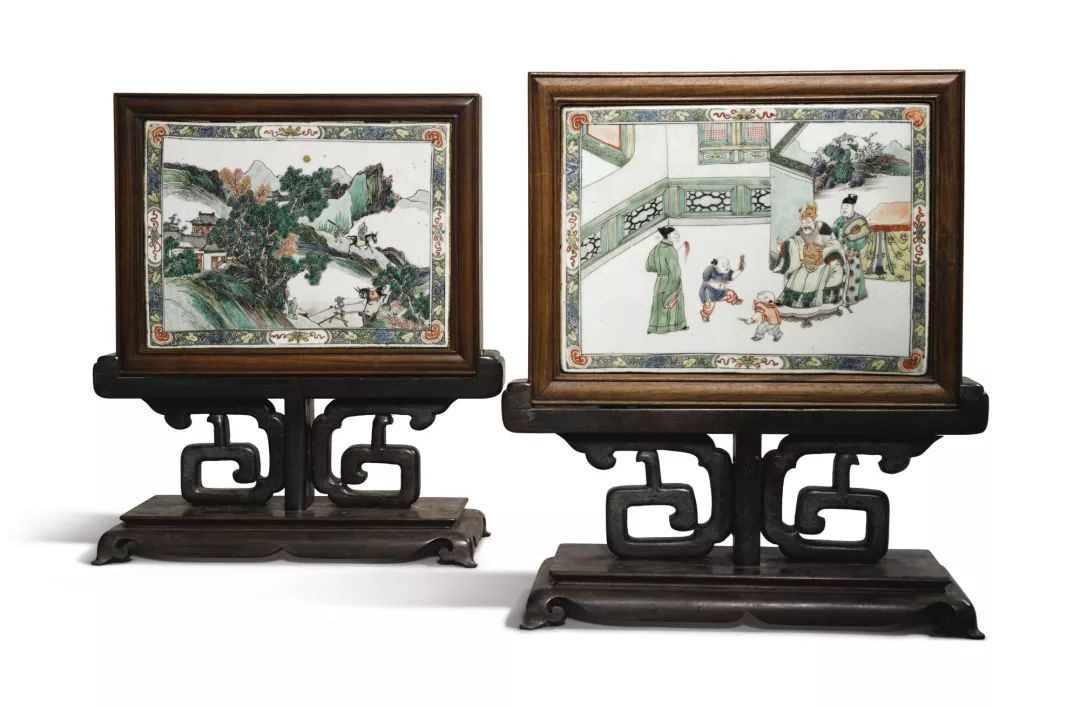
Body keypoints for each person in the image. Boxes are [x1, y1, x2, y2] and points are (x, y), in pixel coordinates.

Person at [771, 202, 845, 308]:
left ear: (813, 219)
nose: (804, 224)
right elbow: (793, 244)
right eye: (802, 221)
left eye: (807, 221)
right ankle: (787, 300)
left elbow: (834, 243)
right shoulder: (800, 231)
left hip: (823, 261)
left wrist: (829, 256)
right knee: (797, 277)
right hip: (806, 263)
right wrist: (783, 248)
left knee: (828, 273)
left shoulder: (823, 227)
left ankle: (826, 299)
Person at [645, 226, 688, 334]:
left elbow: (648, 266)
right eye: (675, 234)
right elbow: (675, 271)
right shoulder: (670, 250)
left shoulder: (657, 247)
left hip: (660, 281)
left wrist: (661, 269)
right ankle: (676, 326)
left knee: (658, 304)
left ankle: (655, 328)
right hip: (671, 279)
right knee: (674, 301)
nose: (678, 236)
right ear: (668, 236)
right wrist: (677, 283)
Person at [832, 194, 871, 303]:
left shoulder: (860, 220)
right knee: (839, 275)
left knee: (853, 275)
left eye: (847, 207)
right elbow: (833, 237)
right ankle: (838, 297)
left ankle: (852, 298)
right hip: (840, 253)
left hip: (853, 254)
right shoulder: (837, 222)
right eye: (842, 207)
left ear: (853, 207)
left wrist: (853, 248)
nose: (844, 209)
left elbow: (864, 236)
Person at [698, 256, 744, 322]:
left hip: (721, 292)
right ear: (716, 267)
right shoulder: (709, 271)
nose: (727, 267)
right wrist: (704, 301)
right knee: (711, 306)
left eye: (728, 264)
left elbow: (732, 276)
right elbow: (702, 290)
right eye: (724, 265)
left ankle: (734, 301)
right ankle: (705, 314)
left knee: (731, 293)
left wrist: (740, 269)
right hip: (711, 293)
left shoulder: (726, 272)